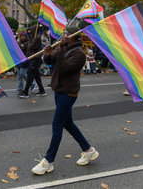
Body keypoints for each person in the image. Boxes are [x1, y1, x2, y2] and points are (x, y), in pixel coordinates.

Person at [31, 26, 98, 175]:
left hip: (68, 93)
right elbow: (50, 61)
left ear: (74, 36)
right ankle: (88, 150)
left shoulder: (79, 54)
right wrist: (48, 53)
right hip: (58, 90)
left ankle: (48, 161)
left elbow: (63, 68)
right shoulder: (64, 47)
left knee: (57, 125)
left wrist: (60, 49)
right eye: (65, 33)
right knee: (67, 123)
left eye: (67, 33)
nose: (64, 35)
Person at [19, 25, 46, 98]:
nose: (30, 32)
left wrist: (30, 43)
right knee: (36, 76)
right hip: (34, 59)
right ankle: (42, 90)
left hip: (36, 59)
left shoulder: (37, 38)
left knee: (30, 75)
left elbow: (30, 46)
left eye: (31, 30)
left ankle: (25, 92)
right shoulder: (34, 37)